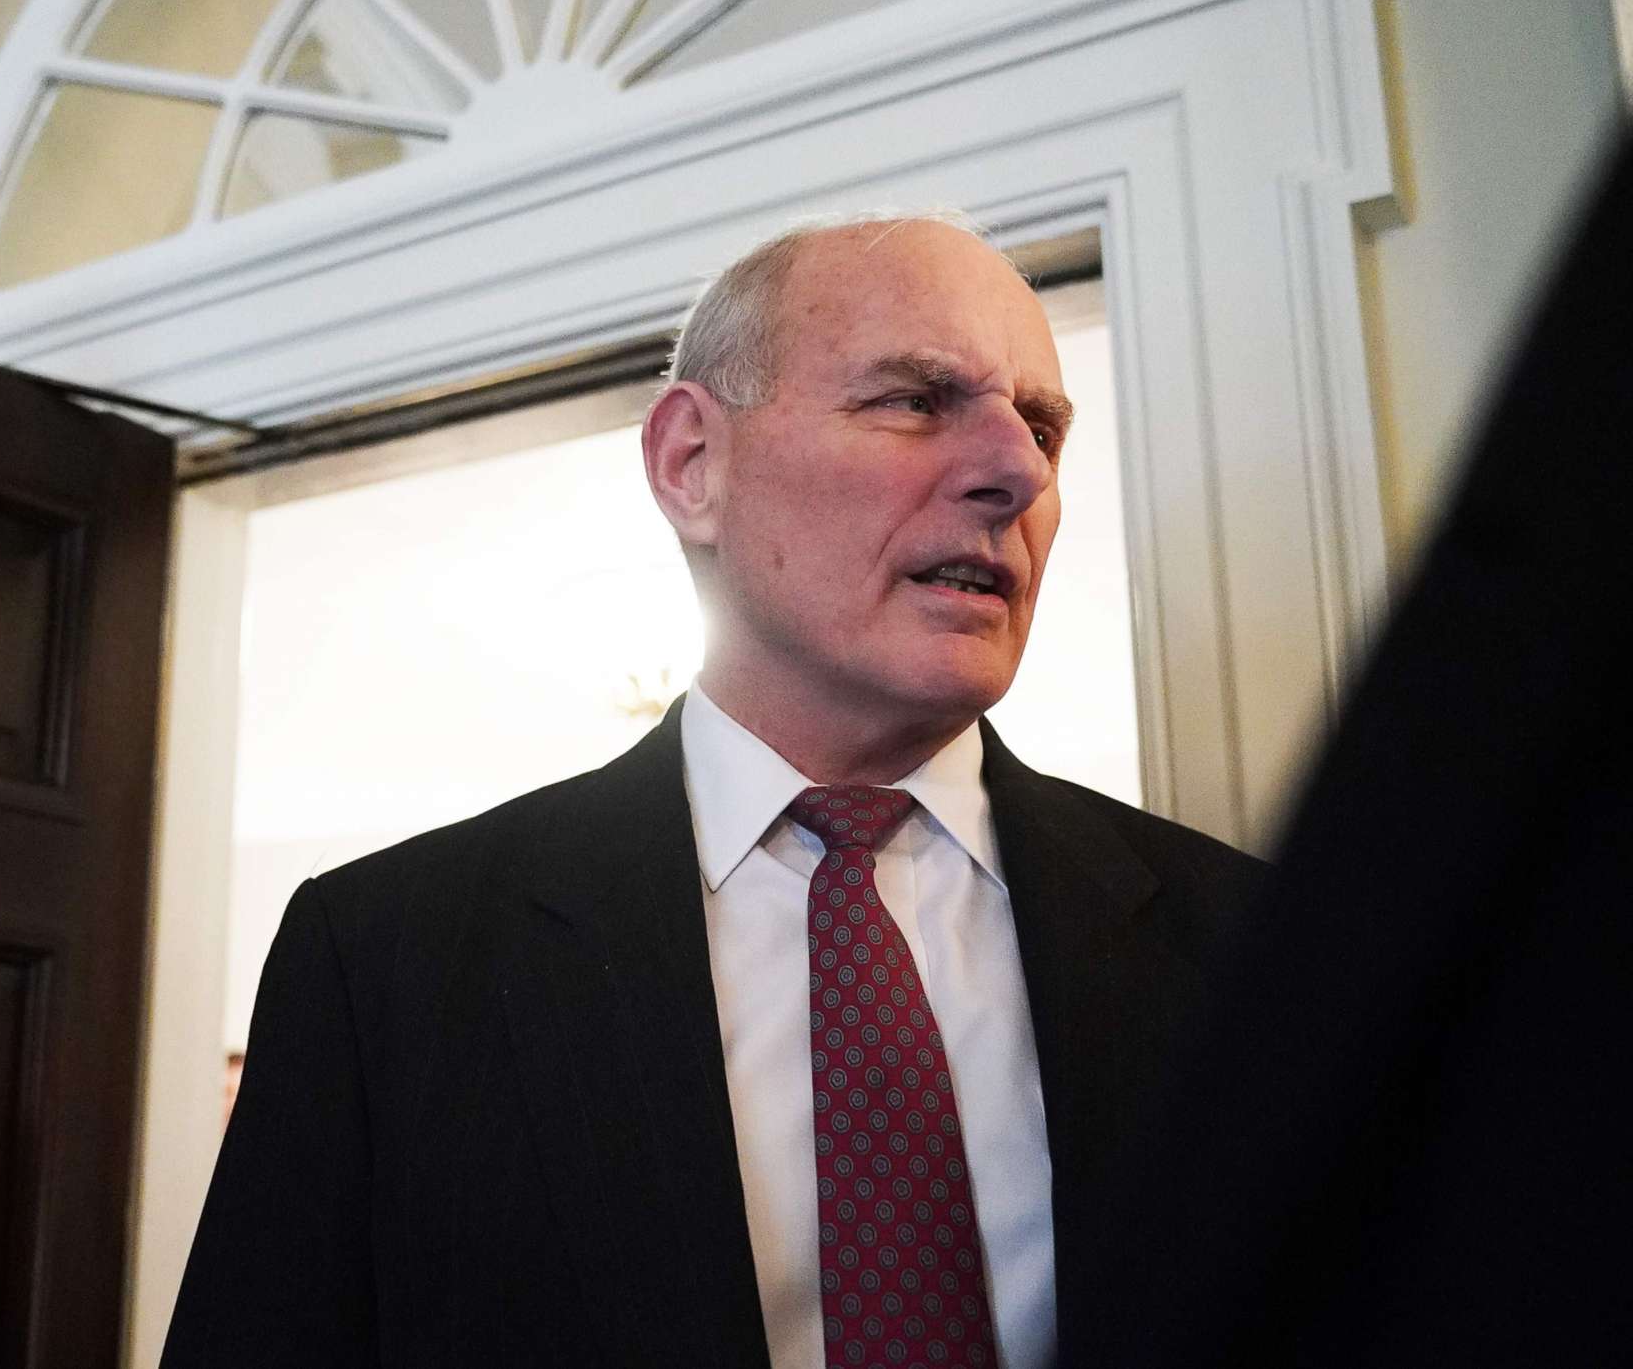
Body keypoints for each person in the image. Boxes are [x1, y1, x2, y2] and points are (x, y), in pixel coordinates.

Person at [161, 212, 1268, 1369]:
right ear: (693, 465)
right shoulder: (384, 957)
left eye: (1041, 425)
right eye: (915, 401)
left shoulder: (1246, 942)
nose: (1017, 473)